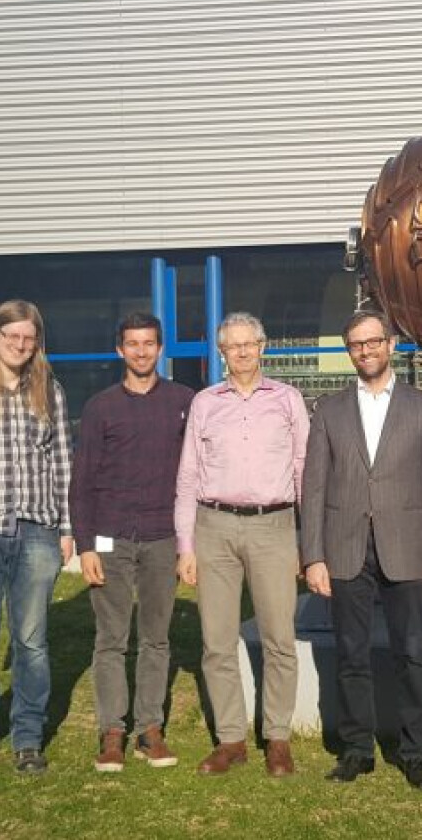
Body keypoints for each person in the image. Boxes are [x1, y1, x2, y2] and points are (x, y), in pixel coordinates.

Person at [301, 309, 422, 791]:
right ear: (349, 351)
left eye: (372, 342)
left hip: (406, 547)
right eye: (355, 345)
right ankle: (357, 749)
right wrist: (313, 556)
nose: (365, 351)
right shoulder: (328, 408)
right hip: (344, 548)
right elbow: (315, 486)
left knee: (410, 653)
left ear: (390, 344)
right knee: (350, 654)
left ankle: (415, 752)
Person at [175, 312, 309, 777]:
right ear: (222, 354)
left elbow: (303, 470)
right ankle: (230, 739)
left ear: (263, 346)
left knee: (279, 639)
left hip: (273, 527)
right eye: (233, 346)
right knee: (216, 641)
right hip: (214, 527)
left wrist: (304, 541)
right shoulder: (205, 403)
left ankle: (277, 738)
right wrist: (186, 544)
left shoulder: (289, 400)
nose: (243, 352)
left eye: (250, 343)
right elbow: (188, 474)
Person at [0, 299, 74, 779]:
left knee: (32, 643)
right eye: (12, 337)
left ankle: (27, 738)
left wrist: (67, 530)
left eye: (29, 339)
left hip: (36, 533)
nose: (21, 346)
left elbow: (63, 463)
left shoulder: (50, 391)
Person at [70, 312, 194, 773]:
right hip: (110, 536)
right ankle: (112, 732)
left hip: (163, 535)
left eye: (149, 343)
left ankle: (149, 727)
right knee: (111, 639)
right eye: (132, 344)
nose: (141, 351)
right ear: (119, 350)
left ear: (161, 349)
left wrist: (189, 544)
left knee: (156, 638)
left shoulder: (184, 401)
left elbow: (194, 475)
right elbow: (81, 483)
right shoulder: (101, 407)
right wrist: (85, 545)